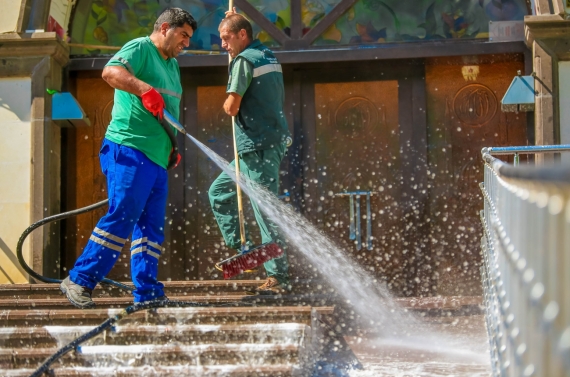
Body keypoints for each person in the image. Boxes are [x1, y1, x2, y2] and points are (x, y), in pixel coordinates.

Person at [60, 8, 197, 309]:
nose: (186, 43)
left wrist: (171, 147)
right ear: (165, 28)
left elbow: (165, 113)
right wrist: (143, 88)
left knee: (150, 231)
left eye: (189, 38)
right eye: (183, 35)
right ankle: (80, 279)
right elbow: (110, 72)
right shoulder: (140, 48)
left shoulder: (172, 66)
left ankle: (147, 293)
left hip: (156, 159)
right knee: (122, 215)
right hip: (129, 148)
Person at [208, 11, 291, 294]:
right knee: (219, 192)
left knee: (265, 210)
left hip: (257, 146)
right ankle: (245, 249)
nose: (223, 44)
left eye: (226, 37)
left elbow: (232, 107)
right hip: (260, 145)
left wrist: (227, 96)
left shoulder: (243, 61)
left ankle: (278, 276)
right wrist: (238, 19)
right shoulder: (266, 55)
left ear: (243, 35)